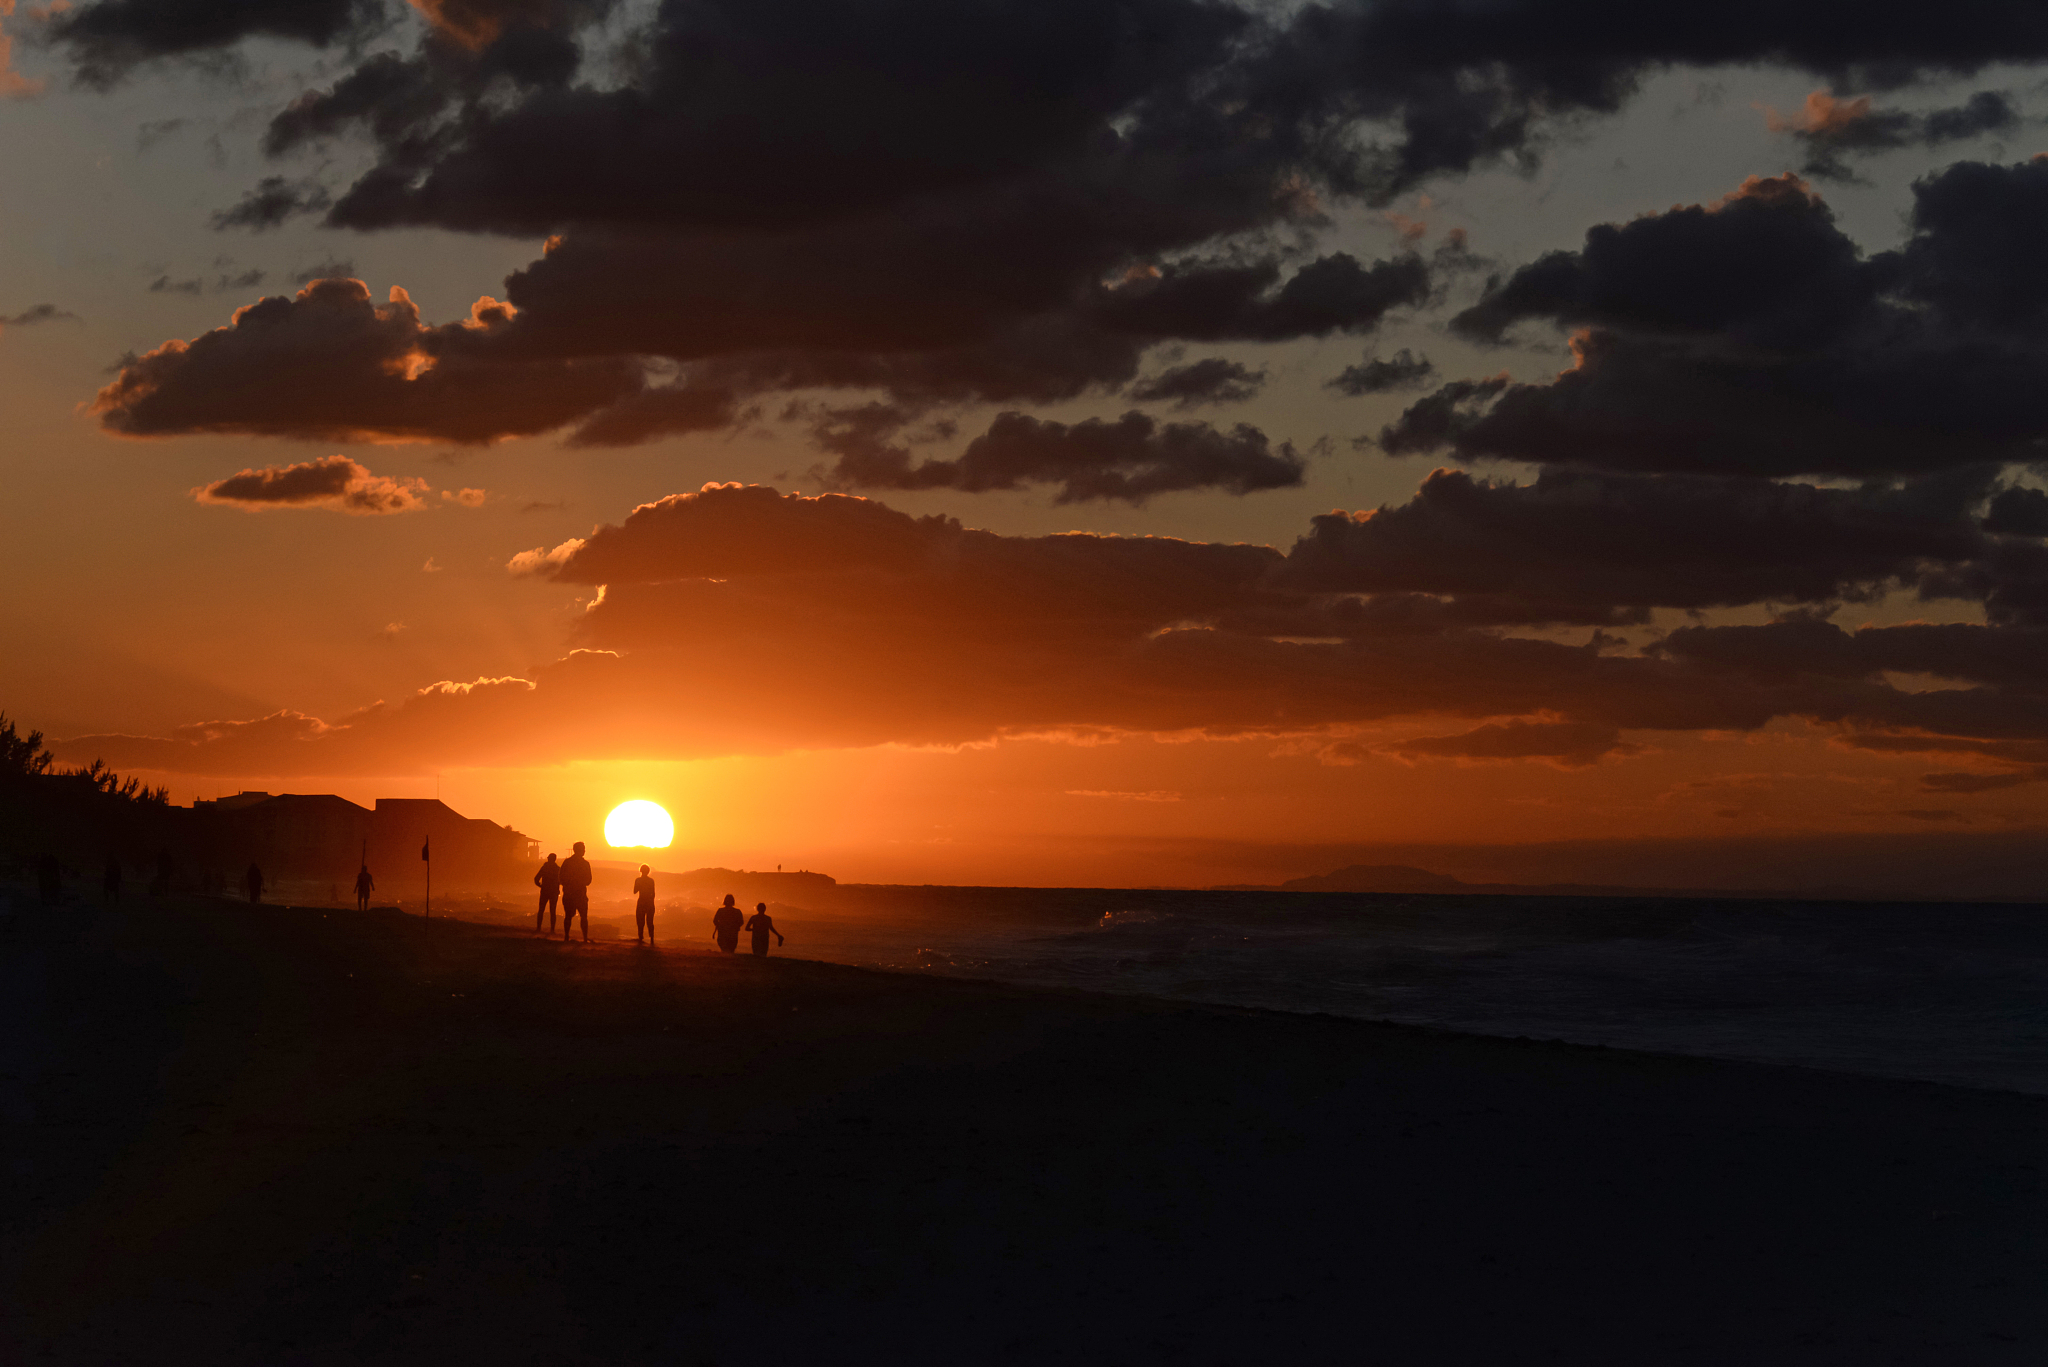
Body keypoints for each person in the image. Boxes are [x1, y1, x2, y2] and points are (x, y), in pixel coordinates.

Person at [560, 841, 592, 943]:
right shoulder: (585, 864)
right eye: (583, 849)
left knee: (568, 916)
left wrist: (568, 885)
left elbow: (561, 878)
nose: (584, 851)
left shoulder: (567, 862)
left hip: (570, 894)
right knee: (583, 916)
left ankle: (566, 937)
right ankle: (585, 938)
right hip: (580, 894)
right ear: (579, 850)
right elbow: (588, 881)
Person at [533, 853, 562, 934]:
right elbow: (562, 881)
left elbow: (536, 879)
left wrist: (541, 886)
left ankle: (538, 928)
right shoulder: (558, 869)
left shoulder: (545, 868)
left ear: (549, 859)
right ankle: (552, 930)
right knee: (553, 911)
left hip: (545, 891)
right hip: (554, 892)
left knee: (541, 910)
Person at [633, 865, 657, 944]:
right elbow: (653, 894)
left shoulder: (638, 880)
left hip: (641, 901)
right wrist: (651, 902)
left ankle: (640, 937)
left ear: (641, 871)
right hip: (649, 902)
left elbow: (635, 891)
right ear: (648, 872)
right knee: (650, 921)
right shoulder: (651, 881)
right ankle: (652, 939)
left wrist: (640, 886)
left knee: (640, 921)